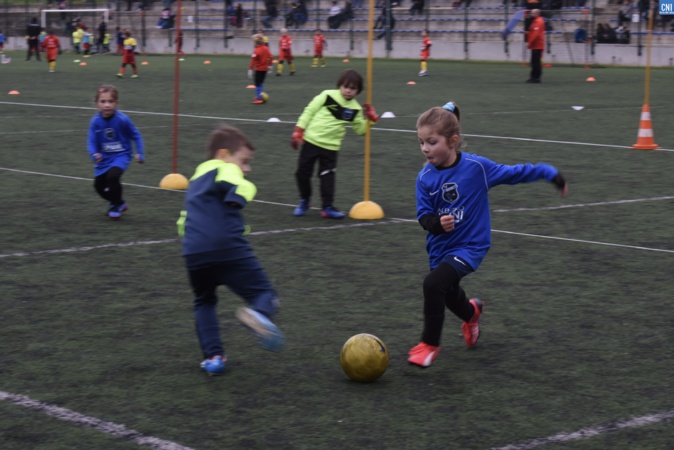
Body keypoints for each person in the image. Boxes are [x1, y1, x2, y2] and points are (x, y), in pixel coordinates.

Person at [407, 102, 568, 368]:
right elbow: (424, 216)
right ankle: (472, 313)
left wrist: (549, 173)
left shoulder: (477, 167)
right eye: (421, 142)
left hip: (471, 246)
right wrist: (437, 223)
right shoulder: (424, 178)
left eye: (432, 142)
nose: (425, 148)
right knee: (448, 294)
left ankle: (429, 345)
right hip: (440, 249)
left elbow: (515, 173)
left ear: (453, 141)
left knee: (433, 285)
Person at [176, 124, 286, 376]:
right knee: (266, 294)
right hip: (227, 246)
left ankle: (213, 357)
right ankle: (258, 315)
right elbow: (240, 186)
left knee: (204, 301)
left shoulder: (195, 181)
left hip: (194, 252)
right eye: (244, 161)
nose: (247, 169)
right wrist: (238, 196)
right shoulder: (224, 168)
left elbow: (183, 222)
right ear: (223, 154)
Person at [290, 69, 380, 219]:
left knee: (327, 177)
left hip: (331, 147)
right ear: (340, 85)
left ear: (358, 90)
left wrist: (371, 120)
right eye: (346, 86)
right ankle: (305, 200)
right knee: (302, 173)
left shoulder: (356, 109)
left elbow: (360, 130)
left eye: (353, 88)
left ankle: (327, 207)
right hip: (311, 141)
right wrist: (299, 129)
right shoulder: (327, 95)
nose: (348, 91)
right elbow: (309, 111)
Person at [87, 85, 145, 220]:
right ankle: (118, 203)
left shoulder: (122, 119)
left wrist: (140, 153)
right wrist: (94, 154)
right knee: (98, 186)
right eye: (103, 101)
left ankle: (114, 206)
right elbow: (91, 141)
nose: (107, 105)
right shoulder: (95, 122)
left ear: (116, 103)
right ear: (97, 103)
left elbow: (136, 135)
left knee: (113, 176)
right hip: (104, 159)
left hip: (121, 155)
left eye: (110, 101)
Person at [248, 33, 272, 104]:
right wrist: (270, 65)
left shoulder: (256, 50)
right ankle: (259, 96)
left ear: (256, 42)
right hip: (265, 69)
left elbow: (253, 61)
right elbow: (271, 57)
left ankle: (258, 98)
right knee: (261, 82)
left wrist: (250, 69)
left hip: (259, 69)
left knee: (257, 83)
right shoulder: (266, 48)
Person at [526, 9, 544, 83]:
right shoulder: (536, 21)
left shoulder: (538, 22)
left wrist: (530, 43)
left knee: (536, 62)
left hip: (537, 45)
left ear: (537, 14)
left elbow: (535, 34)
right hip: (535, 45)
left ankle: (536, 77)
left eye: (532, 13)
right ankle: (534, 77)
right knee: (534, 62)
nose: (531, 14)